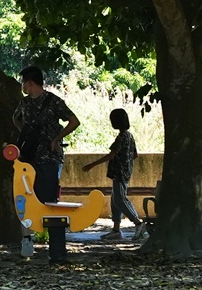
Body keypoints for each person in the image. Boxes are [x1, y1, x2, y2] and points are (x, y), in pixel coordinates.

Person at [12, 66, 78, 204]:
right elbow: (16, 118)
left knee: (48, 201)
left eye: (23, 82)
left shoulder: (53, 101)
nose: (22, 86)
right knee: (28, 198)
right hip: (29, 156)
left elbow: (74, 121)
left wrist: (56, 139)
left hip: (49, 157)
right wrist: (26, 134)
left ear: (30, 83)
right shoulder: (25, 102)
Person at [83, 108, 142, 240]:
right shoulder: (130, 136)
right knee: (115, 200)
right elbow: (135, 155)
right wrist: (126, 163)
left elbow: (111, 154)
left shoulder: (121, 137)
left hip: (119, 173)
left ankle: (137, 223)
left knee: (120, 199)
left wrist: (92, 165)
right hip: (123, 172)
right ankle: (116, 229)